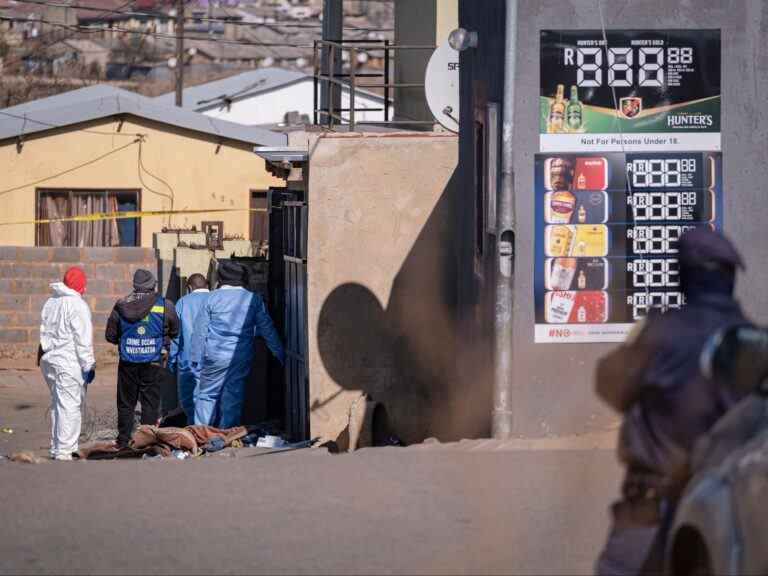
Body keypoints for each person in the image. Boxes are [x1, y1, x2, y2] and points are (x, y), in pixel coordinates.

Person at [594, 228, 751, 575]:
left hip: (652, 510)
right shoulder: (750, 339)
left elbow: (608, 384)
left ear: (683, 275)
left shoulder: (661, 331)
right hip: (724, 516)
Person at [191, 260, 284, 428]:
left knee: (206, 395)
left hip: (214, 356)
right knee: (232, 395)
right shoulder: (253, 299)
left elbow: (200, 331)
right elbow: (267, 329)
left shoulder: (211, 298)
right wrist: (280, 353)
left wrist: (195, 358)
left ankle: (201, 434)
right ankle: (226, 435)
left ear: (220, 278)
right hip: (240, 357)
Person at [105, 269, 179, 448]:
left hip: (128, 362)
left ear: (134, 285)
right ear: (153, 285)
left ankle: (123, 440)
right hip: (153, 361)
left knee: (126, 404)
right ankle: (147, 441)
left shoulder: (121, 305)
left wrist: (126, 341)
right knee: (150, 404)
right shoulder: (164, 305)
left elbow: (110, 336)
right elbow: (175, 330)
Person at [39, 267, 96, 461]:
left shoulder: (51, 302)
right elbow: (83, 339)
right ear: (81, 286)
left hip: (50, 359)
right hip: (68, 361)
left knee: (58, 404)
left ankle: (57, 447)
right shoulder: (77, 306)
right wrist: (88, 365)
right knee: (69, 406)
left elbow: (45, 331)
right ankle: (65, 451)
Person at [167, 273, 210, 423]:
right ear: (207, 285)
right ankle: (209, 430)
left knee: (189, 400)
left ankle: (194, 430)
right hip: (212, 358)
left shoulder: (182, 303)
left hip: (188, 360)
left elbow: (176, 336)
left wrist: (171, 359)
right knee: (209, 399)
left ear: (189, 288)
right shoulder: (216, 300)